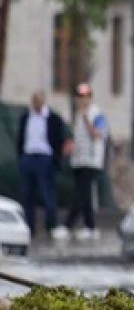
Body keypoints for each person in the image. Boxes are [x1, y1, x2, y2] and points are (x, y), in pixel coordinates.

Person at [15, 91, 71, 240]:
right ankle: (29, 226)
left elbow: (58, 139)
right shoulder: (26, 117)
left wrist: (55, 158)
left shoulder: (52, 118)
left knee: (48, 193)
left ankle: (51, 225)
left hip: (45, 158)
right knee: (27, 194)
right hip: (28, 157)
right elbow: (21, 137)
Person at [65, 83, 109, 240]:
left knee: (81, 193)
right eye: (80, 97)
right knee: (85, 195)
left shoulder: (97, 114)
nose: (82, 100)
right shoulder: (77, 115)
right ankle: (90, 227)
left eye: (85, 96)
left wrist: (86, 120)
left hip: (91, 160)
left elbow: (98, 134)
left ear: (90, 97)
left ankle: (68, 224)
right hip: (78, 159)